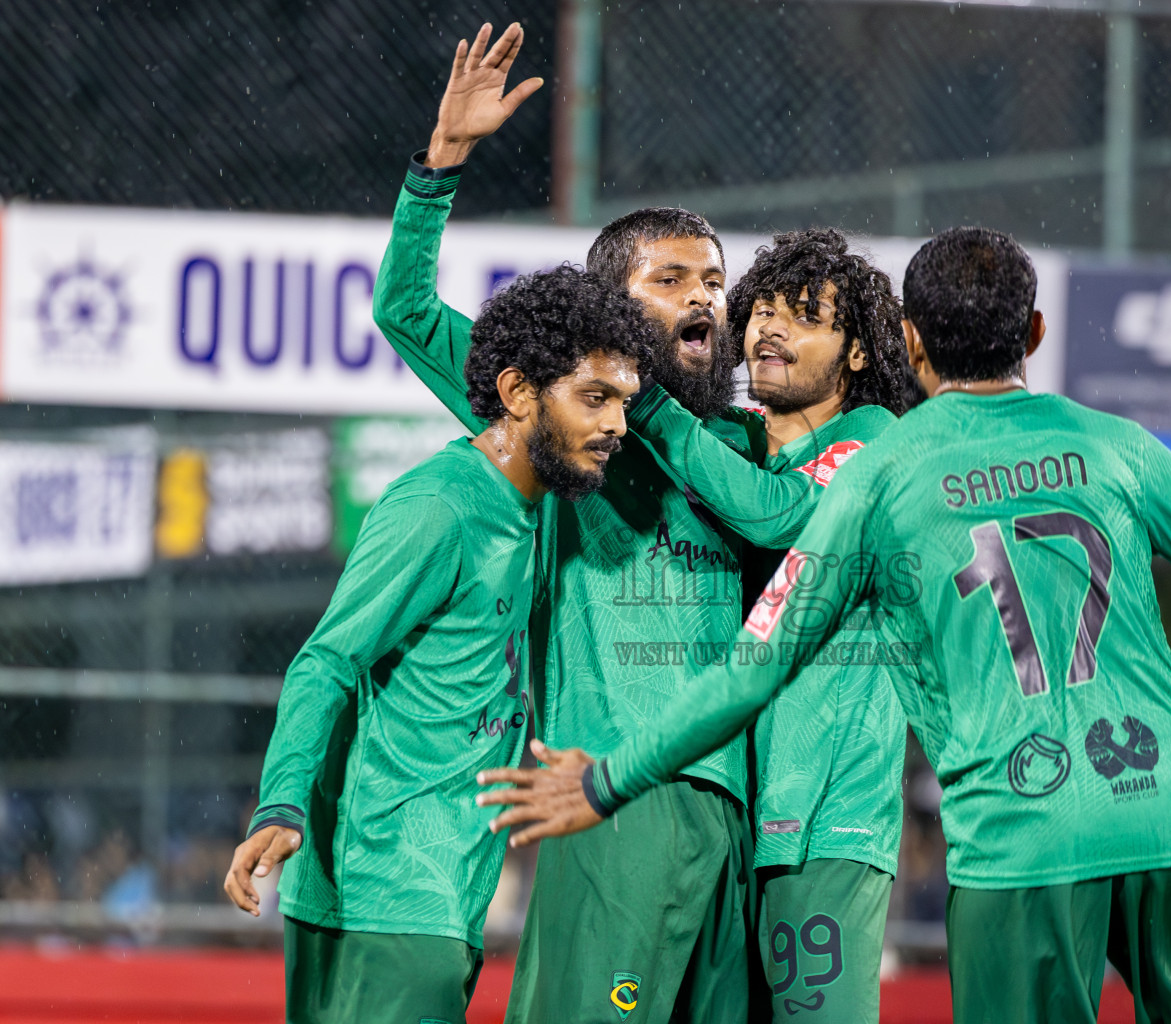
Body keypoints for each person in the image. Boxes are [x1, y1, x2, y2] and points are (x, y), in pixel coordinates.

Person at [483, 227, 1171, 1024]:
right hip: (1168, 813)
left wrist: (609, 778)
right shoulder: (1116, 446)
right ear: (1031, 328)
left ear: (902, 340)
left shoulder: (878, 477)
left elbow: (752, 667)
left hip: (1022, 836)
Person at [372, 23, 758, 1022]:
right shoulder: (568, 417)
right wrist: (443, 162)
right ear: (607, 307)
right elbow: (407, 309)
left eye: (713, 280)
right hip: (609, 796)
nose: (703, 298)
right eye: (671, 280)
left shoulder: (752, 452)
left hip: (739, 818)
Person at [222, 265, 647, 1024]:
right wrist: (279, 801)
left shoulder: (538, 505)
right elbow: (327, 660)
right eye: (595, 397)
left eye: (623, 401)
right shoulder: (439, 508)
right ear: (518, 395)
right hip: (385, 889)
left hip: (442, 890)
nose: (617, 422)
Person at [576, 228, 912, 1023]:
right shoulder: (745, 452)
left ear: (858, 355)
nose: (768, 328)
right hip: (745, 823)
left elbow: (774, 519)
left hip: (828, 822)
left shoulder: (875, 443)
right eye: (759, 309)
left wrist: (645, 395)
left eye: (803, 316)